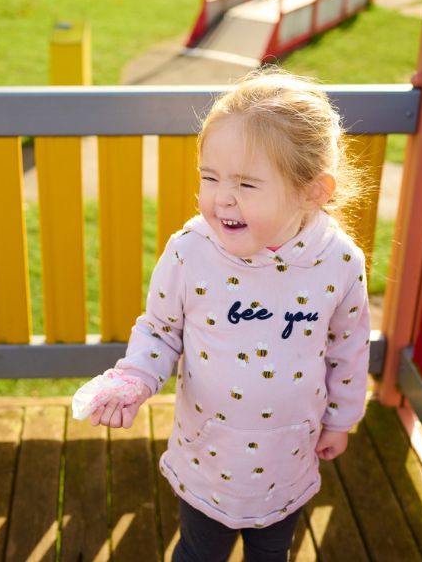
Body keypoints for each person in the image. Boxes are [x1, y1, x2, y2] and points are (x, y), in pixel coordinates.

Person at [85, 68, 371, 561]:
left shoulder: (339, 262)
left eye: (246, 183)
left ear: (312, 191)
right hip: (208, 456)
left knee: (271, 554)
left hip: (288, 456)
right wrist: (135, 377)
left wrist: (340, 420)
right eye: (210, 177)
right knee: (199, 554)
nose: (222, 198)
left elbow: (348, 347)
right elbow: (160, 329)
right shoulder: (190, 252)